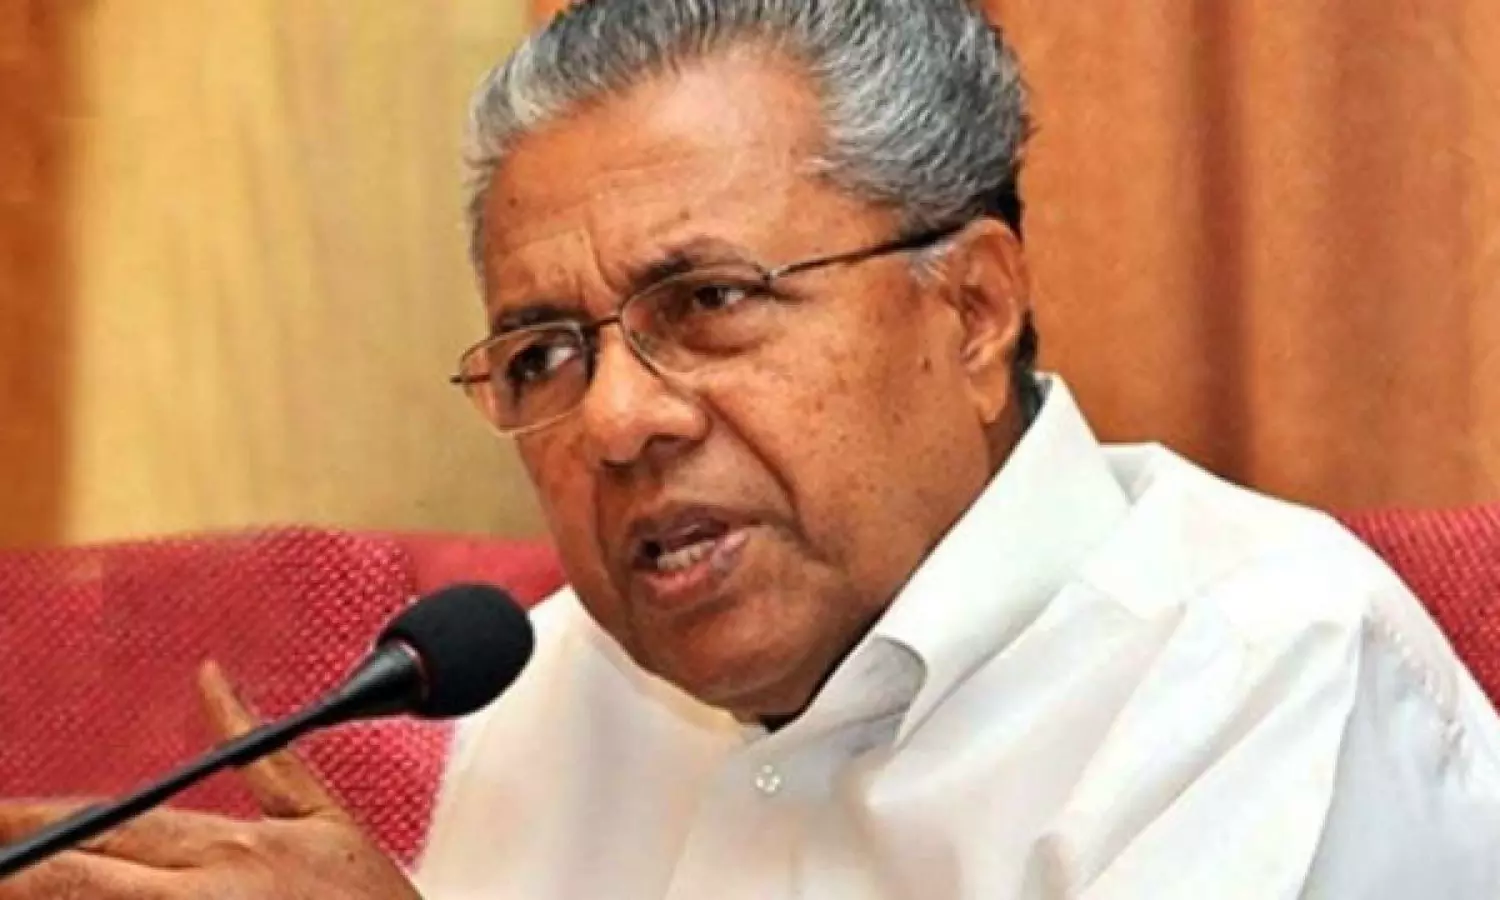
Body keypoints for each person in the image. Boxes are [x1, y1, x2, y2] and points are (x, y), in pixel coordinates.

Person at [2, 1, 1497, 897]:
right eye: (545, 354)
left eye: (709, 302)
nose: (616, 418)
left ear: (972, 310)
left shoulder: (1264, 678)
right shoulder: (562, 686)